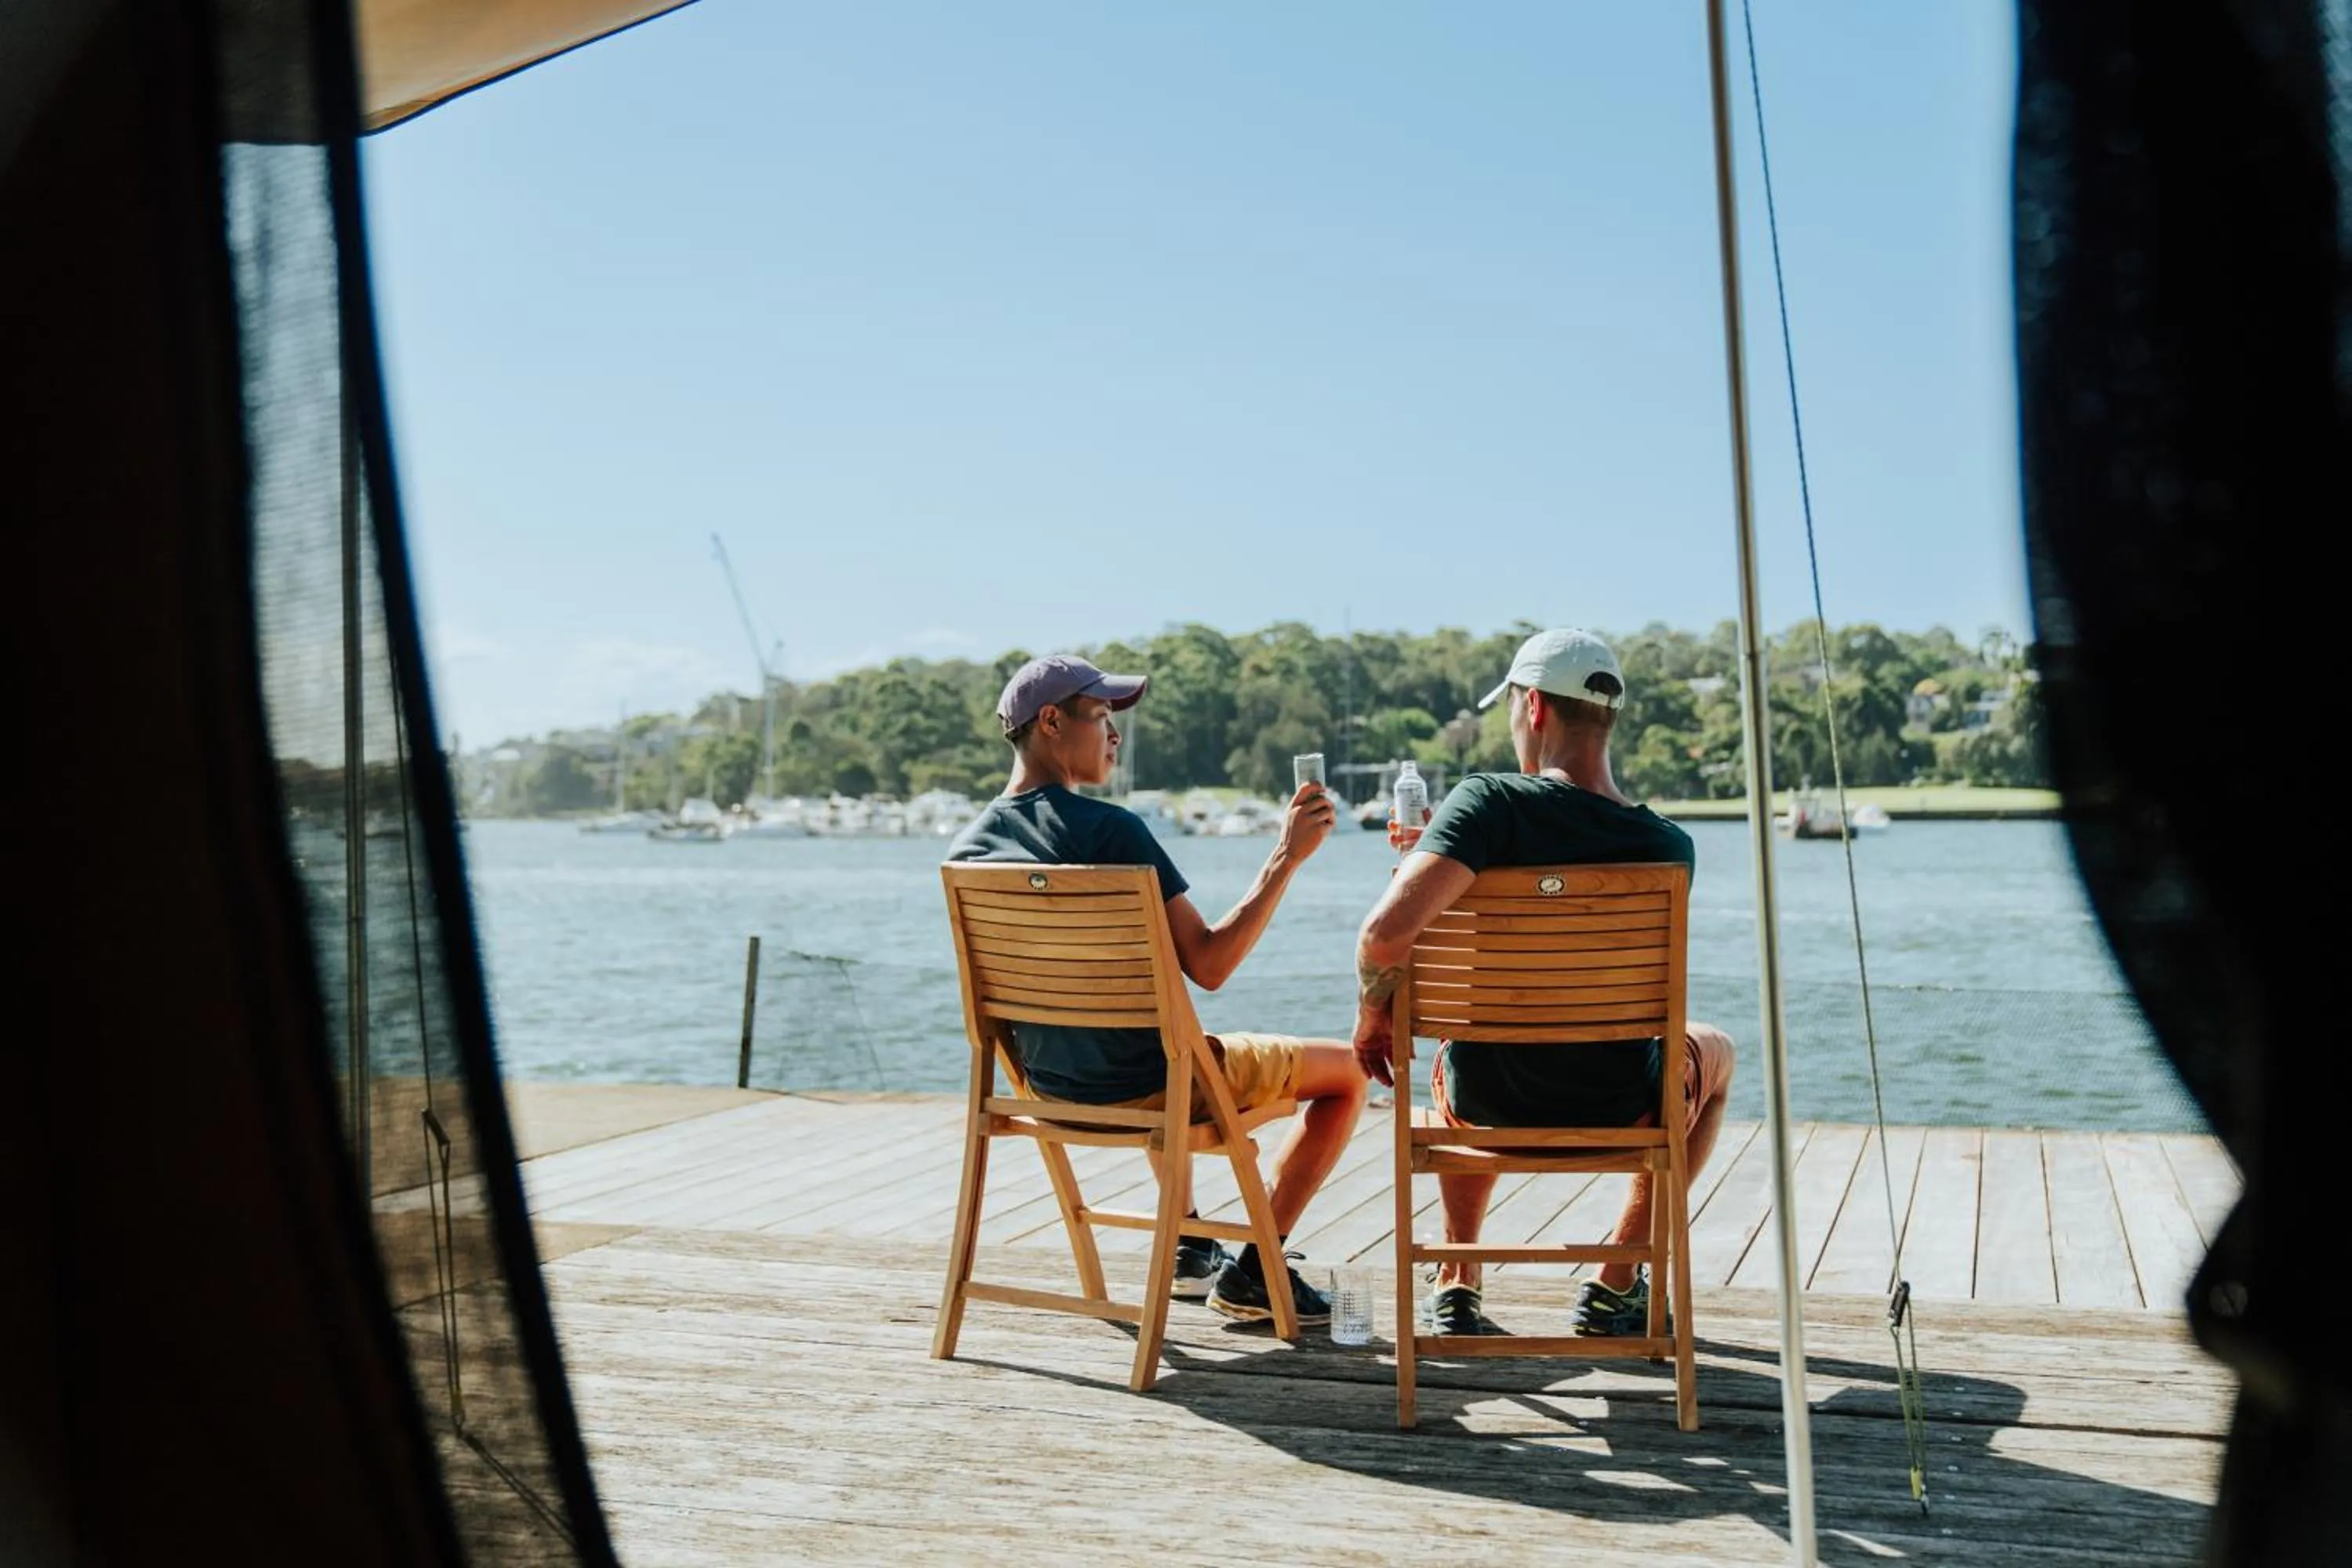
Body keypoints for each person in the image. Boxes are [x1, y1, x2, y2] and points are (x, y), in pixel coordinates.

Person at [947, 654, 1368, 1325]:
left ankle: (1191, 1245)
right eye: (1101, 717)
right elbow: (1212, 965)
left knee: (1156, 1045)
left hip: (1049, 1093)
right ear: (1051, 721)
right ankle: (1256, 1272)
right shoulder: (1113, 831)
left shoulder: (968, 853)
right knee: (1348, 1072)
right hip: (1154, 1088)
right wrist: (1286, 857)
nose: (1116, 735)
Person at [1351, 628, 1737, 1336]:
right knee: (1719, 1052)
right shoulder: (1668, 847)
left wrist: (1374, 1014)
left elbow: (1384, 936)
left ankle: (1457, 1276)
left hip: (1486, 1105)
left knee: (1461, 1042)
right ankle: (1618, 1278)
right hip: (1621, 1108)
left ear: (1533, 707)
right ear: (1609, 718)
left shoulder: (1486, 805)